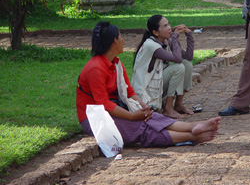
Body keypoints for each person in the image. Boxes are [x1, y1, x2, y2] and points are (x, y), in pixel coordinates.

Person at [76, 22, 220, 147]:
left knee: (152, 117)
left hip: (115, 108)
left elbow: (129, 91)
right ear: (114, 41)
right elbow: (103, 103)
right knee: (140, 128)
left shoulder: (116, 63)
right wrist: (131, 116)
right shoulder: (96, 68)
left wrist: (143, 106)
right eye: (121, 36)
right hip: (95, 119)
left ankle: (192, 126)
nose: (123, 40)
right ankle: (192, 136)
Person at [132, 15, 194, 119]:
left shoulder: (165, 41)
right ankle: (168, 108)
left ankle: (178, 105)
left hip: (158, 84)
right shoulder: (151, 45)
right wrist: (175, 38)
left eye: (168, 24)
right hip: (148, 91)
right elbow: (177, 59)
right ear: (156, 32)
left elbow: (188, 57)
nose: (169, 27)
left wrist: (189, 35)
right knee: (178, 68)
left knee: (187, 65)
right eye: (165, 26)